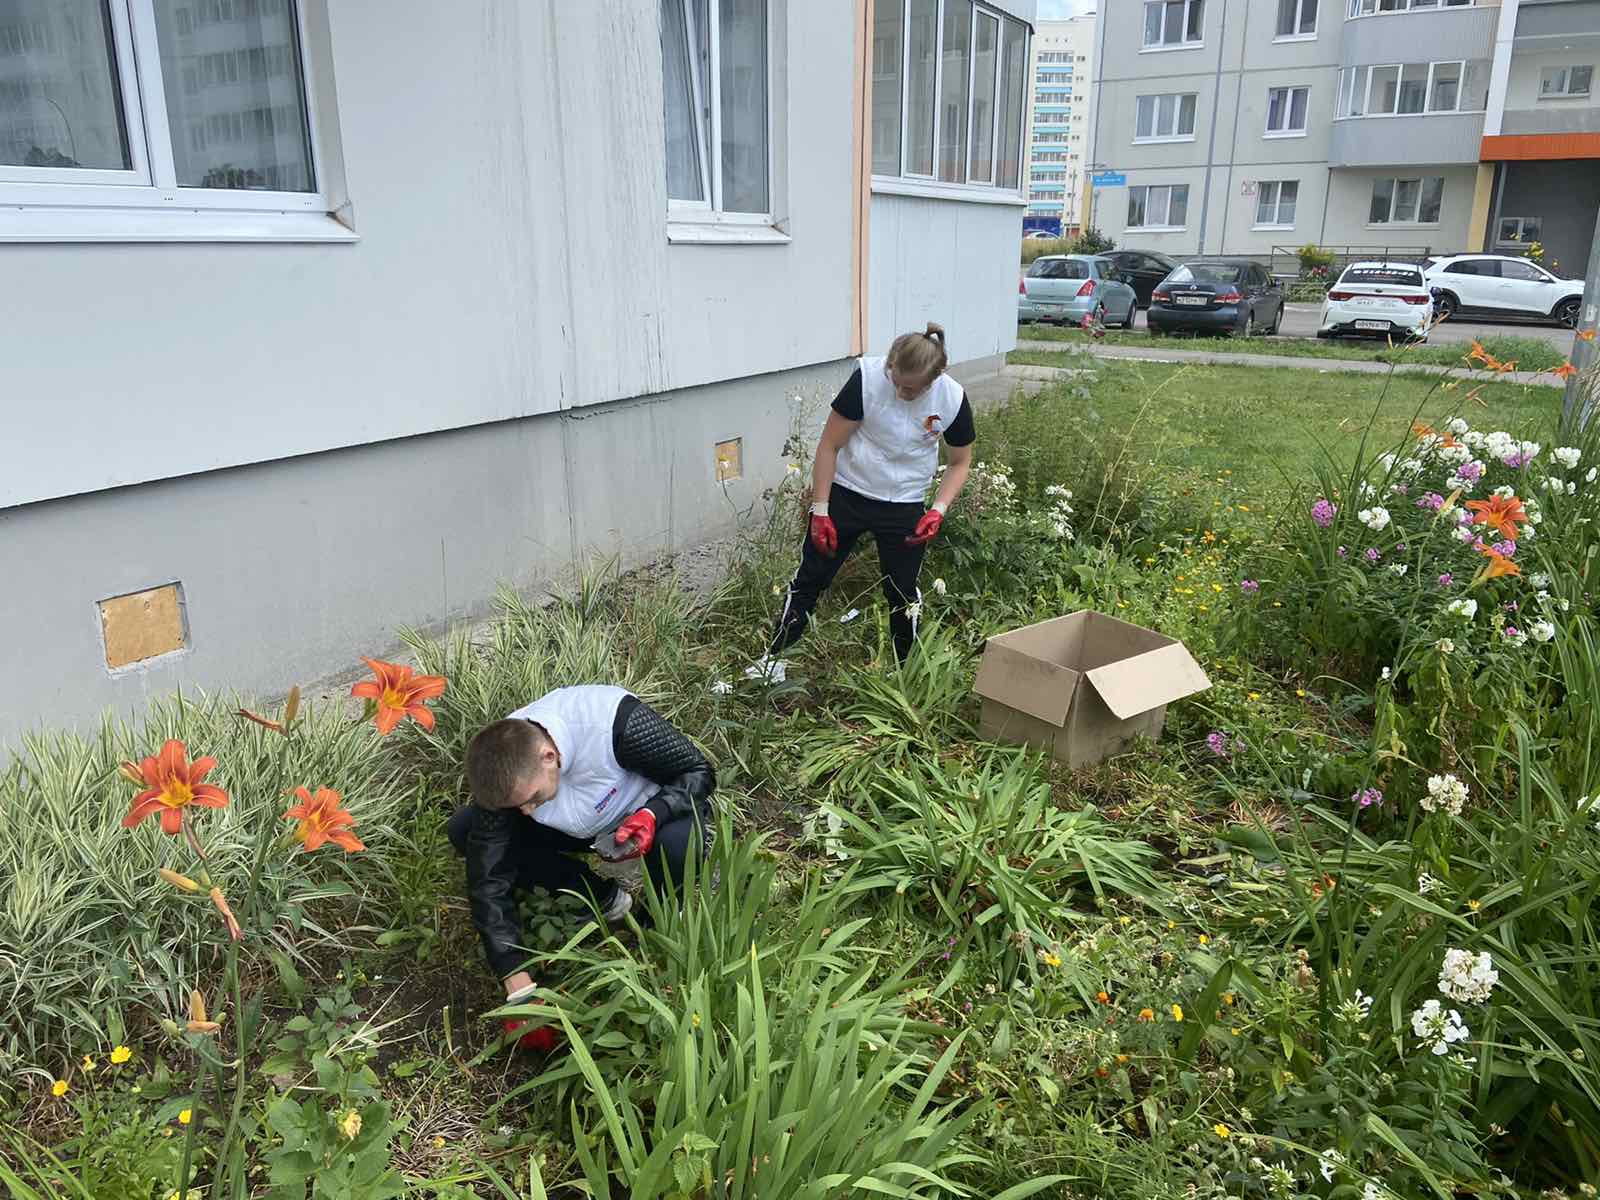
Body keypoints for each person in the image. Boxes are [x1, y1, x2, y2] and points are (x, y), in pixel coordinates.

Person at [448, 684, 715, 1046]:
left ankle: (660, 920)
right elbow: (487, 874)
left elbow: (697, 771)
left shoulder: (612, 722)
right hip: (581, 827)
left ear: (547, 756)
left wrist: (656, 812)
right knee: (466, 832)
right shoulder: (504, 765)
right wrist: (513, 973)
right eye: (517, 806)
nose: (526, 811)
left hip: (648, 811)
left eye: (532, 799)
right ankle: (603, 898)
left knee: (680, 843)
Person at [769, 322, 975, 664]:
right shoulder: (867, 378)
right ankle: (773, 658)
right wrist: (820, 511)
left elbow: (960, 462)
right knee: (810, 578)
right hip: (848, 493)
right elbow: (829, 446)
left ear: (935, 378)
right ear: (890, 364)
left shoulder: (952, 398)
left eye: (911, 390)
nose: (899, 394)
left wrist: (937, 509)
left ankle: (903, 668)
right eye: (895, 381)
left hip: (905, 504)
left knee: (901, 591)